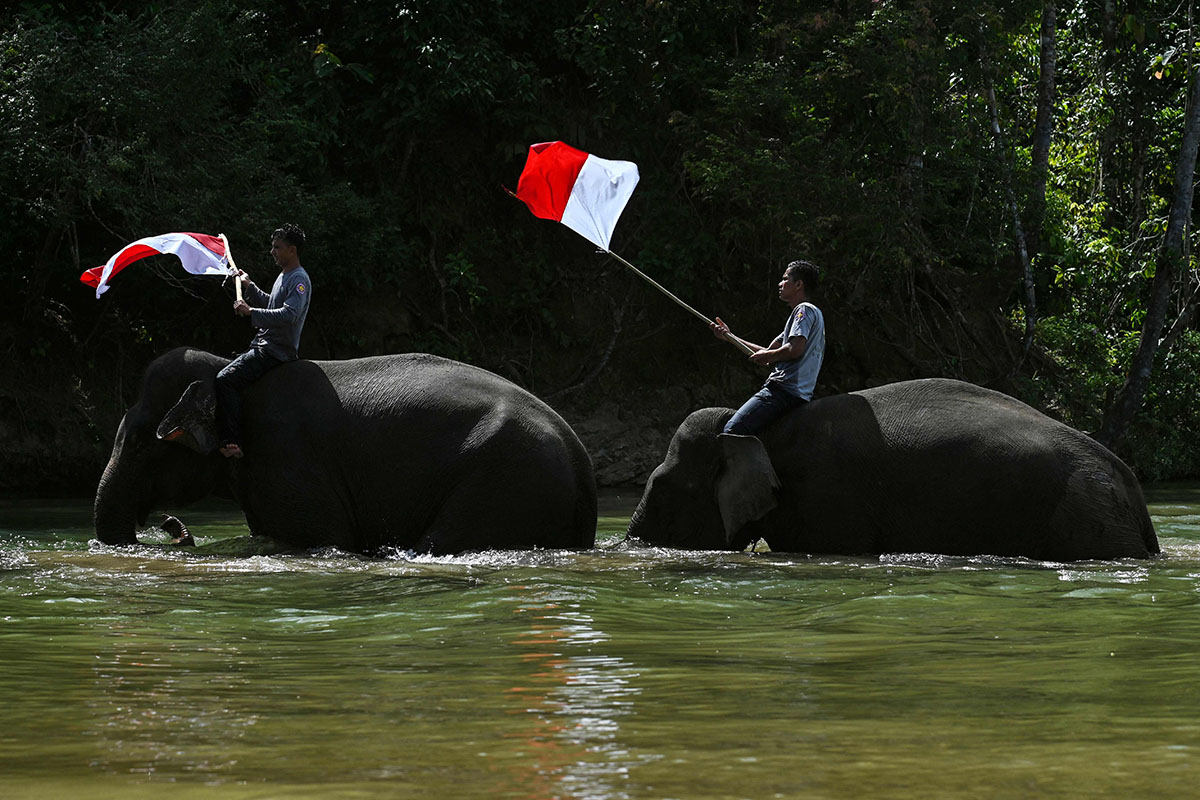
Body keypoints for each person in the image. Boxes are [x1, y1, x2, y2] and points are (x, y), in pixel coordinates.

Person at [215, 224, 312, 459]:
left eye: (277, 247)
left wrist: (251, 312)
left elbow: (290, 314)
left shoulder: (299, 279)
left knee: (224, 380)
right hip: (265, 345)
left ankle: (231, 443)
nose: (272, 252)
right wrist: (250, 286)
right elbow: (274, 306)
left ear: (292, 250)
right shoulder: (285, 275)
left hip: (275, 351)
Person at [710, 259, 825, 437]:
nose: (780, 284)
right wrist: (729, 336)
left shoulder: (804, 310)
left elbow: (795, 349)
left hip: (784, 391)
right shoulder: (802, 317)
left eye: (785, 279)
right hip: (793, 393)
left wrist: (769, 356)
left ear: (798, 285)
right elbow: (766, 351)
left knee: (732, 431)